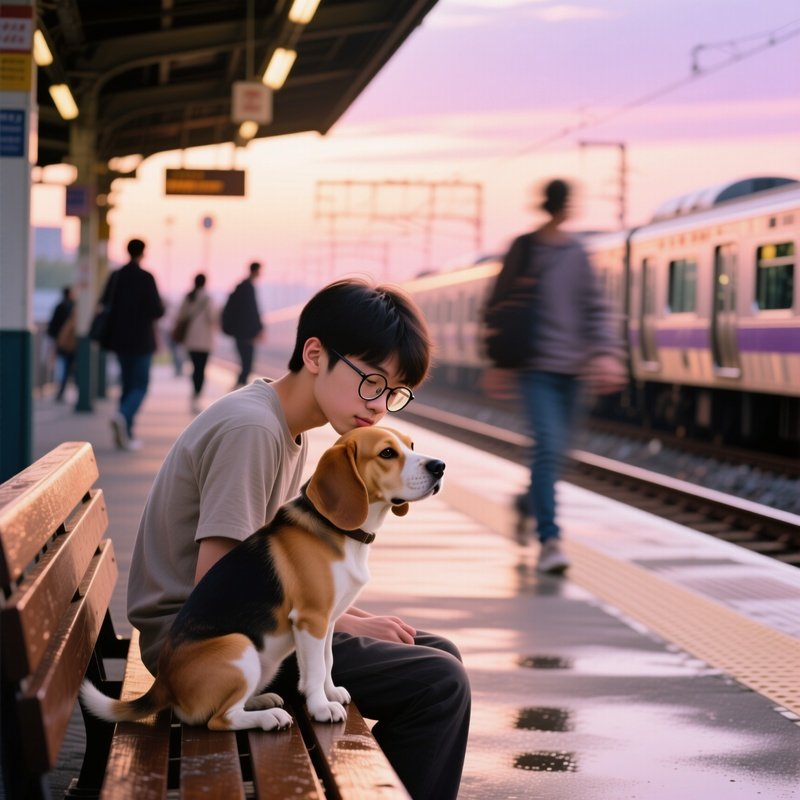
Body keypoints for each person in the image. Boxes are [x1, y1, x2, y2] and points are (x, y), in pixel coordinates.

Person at [127, 279, 470, 800]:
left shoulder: (284, 426)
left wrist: (350, 619)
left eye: (393, 393)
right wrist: (348, 621)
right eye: (372, 381)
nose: (379, 406)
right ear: (315, 354)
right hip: (206, 650)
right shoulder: (254, 431)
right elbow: (222, 583)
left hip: (239, 633)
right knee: (440, 683)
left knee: (437, 653)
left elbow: (279, 572)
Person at [482, 178, 626, 574]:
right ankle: (550, 540)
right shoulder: (524, 249)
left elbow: (595, 309)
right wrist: (497, 362)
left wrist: (607, 354)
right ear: (558, 207)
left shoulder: (577, 254)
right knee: (546, 449)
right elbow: (497, 308)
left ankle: (526, 503)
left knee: (559, 455)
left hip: (573, 374)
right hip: (536, 371)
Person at [99, 238, 165, 451]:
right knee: (141, 385)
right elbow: (157, 311)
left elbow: (104, 303)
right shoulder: (146, 278)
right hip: (141, 340)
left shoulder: (116, 276)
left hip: (119, 340)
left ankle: (125, 434)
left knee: (128, 384)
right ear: (143, 253)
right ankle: (123, 416)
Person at [174, 273, 216, 413]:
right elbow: (212, 319)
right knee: (201, 369)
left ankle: (194, 393)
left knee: (194, 368)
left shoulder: (188, 297)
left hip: (191, 341)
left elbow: (180, 316)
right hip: (204, 342)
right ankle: (197, 394)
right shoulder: (208, 299)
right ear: (205, 283)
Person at [222, 260, 264, 388]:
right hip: (246, 333)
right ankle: (240, 387)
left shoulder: (241, 286)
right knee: (247, 363)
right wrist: (259, 328)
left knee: (245, 362)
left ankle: (239, 385)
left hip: (239, 332)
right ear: (256, 271)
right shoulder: (248, 287)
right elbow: (252, 311)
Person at [46, 286, 77, 402]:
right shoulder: (74, 308)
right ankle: (65, 390)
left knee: (62, 368)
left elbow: (52, 327)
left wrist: (55, 340)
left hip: (61, 343)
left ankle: (61, 390)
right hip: (73, 344)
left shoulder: (59, 307)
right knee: (69, 368)